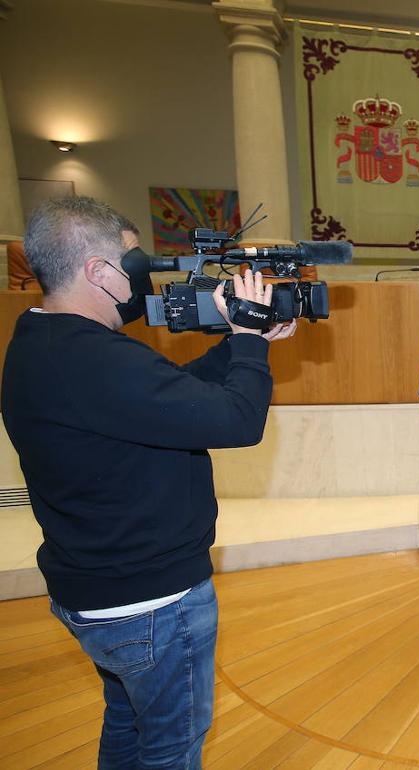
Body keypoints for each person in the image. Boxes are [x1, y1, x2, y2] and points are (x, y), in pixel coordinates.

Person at [1, 196, 296, 768]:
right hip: (150, 601)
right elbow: (238, 422)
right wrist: (252, 343)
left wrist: (238, 345)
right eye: (133, 259)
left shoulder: (45, 343)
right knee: (170, 748)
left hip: (99, 588)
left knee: (129, 725)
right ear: (98, 271)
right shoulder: (95, 357)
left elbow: (164, 398)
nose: (143, 274)